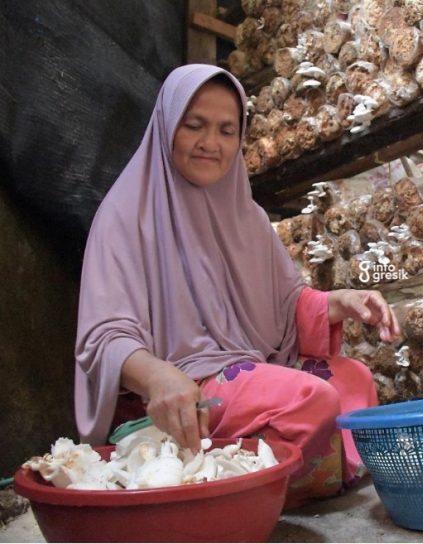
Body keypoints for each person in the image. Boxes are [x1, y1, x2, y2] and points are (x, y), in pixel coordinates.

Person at [74, 64, 400, 505]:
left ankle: (284, 480)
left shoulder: (249, 219)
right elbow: (103, 337)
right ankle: (251, 490)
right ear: (167, 125)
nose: (212, 143)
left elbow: (287, 306)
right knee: (312, 401)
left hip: (245, 370)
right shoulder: (125, 216)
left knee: (354, 379)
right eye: (195, 126)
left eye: (228, 131)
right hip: (180, 396)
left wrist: (341, 301)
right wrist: (158, 378)